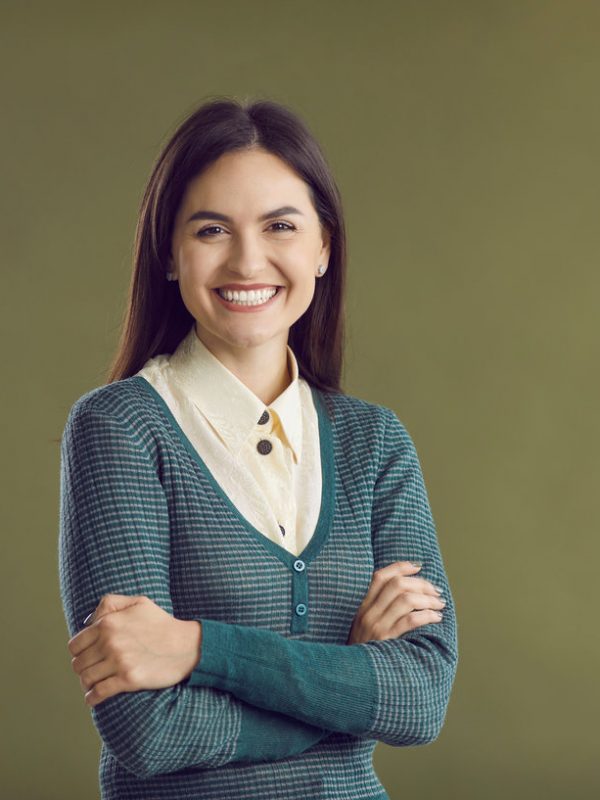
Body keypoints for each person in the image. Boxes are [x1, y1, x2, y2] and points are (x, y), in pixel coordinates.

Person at [58, 96, 458, 800]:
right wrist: (350, 679)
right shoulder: (118, 429)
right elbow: (149, 732)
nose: (248, 259)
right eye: (212, 229)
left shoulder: (375, 442)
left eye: (281, 225)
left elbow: (421, 699)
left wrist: (198, 649)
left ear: (323, 247)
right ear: (170, 254)